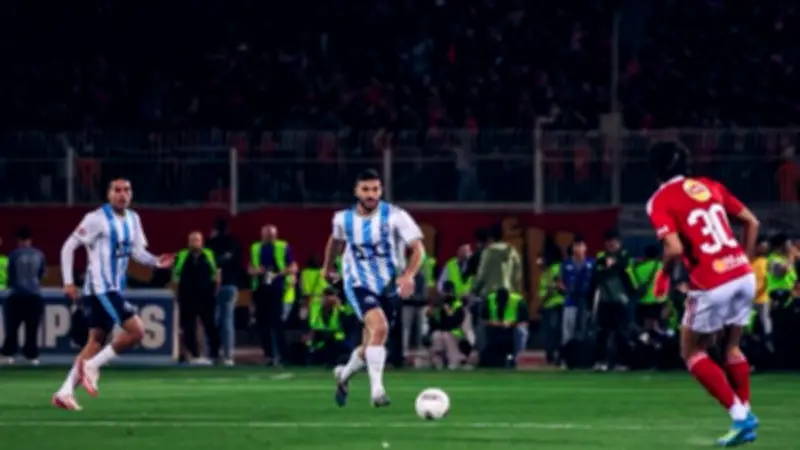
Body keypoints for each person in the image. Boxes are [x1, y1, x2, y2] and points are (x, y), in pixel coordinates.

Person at [646, 141, 760, 446]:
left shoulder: (659, 200)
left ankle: (740, 416)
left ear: (655, 170)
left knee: (692, 351)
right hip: (742, 274)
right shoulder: (710, 186)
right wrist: (744, 261)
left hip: (712, 281)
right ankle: (744, 414)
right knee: (731, 347)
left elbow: (674, 249)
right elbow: (752, 221)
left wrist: (663, 276)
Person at [55, 178, 174, 411]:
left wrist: (156, 261)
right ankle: (92, 366)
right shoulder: (96, 218)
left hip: (112, 288)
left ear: (131, 194)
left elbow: (137, 252)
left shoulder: (133, 219)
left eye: (126, 190)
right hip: (100, 288)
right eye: (117, 190)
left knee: (95, 342)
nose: (122, 194)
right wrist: (68, 281)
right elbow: (69, 246)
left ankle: (65, 392)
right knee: (137, 331)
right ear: (109, 194)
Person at [322, 168, 424, 408]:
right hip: (358, 282)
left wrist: (408, 275)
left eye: (375, 189)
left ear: (381, 190)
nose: (371, 194)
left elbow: (418, 249)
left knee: (371, 343)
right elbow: (336, 240)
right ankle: (377, 392)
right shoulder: (343, 219)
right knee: (380, 327)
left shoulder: (396, 216)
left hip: (388, 285)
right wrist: (327, 266)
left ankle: (343, 376)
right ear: (356, 191)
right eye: (366, 189)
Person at [250, 224, 298, 365]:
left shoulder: (282, 246)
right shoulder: (255, 248)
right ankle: (269, 355)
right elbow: (250, 267)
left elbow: (293, 266)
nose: (270, 237)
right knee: (262, 324)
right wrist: (255, 271)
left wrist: (279, 274)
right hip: (260, 289)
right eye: (267, 235)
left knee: (277, 324)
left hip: (278, 289)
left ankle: (282, 355)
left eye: (272, 235)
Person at [173, 231, 222, 364]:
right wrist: (177, 293)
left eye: (197, 240)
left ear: (202, 242)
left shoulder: (209, 254)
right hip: (187, 297)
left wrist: (215, 291)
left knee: (210, 325)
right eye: (192, 240)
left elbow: (217, 273)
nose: (195, 243)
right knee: (188, 326)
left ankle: (215, 354)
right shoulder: (182, 255)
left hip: (206, 297)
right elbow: (176, 276)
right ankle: (194, 355)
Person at [1, 227, 46, 364]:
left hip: (17, 295)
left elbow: (11, 275)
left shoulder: (14, 255)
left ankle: (9, 354)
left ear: (18, 240)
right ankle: (31, 356)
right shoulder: (39, 254)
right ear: (30, 239)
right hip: (34, 295)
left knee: (12, 326)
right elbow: (41, 274)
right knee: (32, 327)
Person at [206, 217, 242, 366]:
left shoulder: (210, 244)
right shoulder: (233, 243)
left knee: (212, 322)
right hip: (230, 285)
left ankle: (212, 354)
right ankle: (228, 355)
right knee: (227, 321)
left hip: (212, 287)